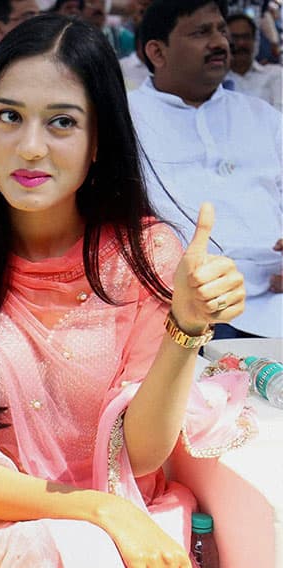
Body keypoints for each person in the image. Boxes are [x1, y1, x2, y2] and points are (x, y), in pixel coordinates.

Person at [0, 14, 253, 568]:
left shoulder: (144, 258)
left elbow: (140, 457)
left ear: (98, 142)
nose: (30, 146)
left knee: (83, 555)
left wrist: (185, 329)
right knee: (64, 550)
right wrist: (91, 512)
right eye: (9, 116)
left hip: (134, 529)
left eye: (61, 122)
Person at [130, 0, 282, 338]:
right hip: (176, 314)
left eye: (222, 31)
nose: (220, 43)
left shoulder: (263, 117)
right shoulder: (124, 121)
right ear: (157, 52)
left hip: (274, 301)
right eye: (201, 32)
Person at [226, 12, 282, 110]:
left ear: (254, 40)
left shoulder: (276, 74)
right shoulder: (217, 81)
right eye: (235, 38)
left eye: (246, 37)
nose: (241, 43)